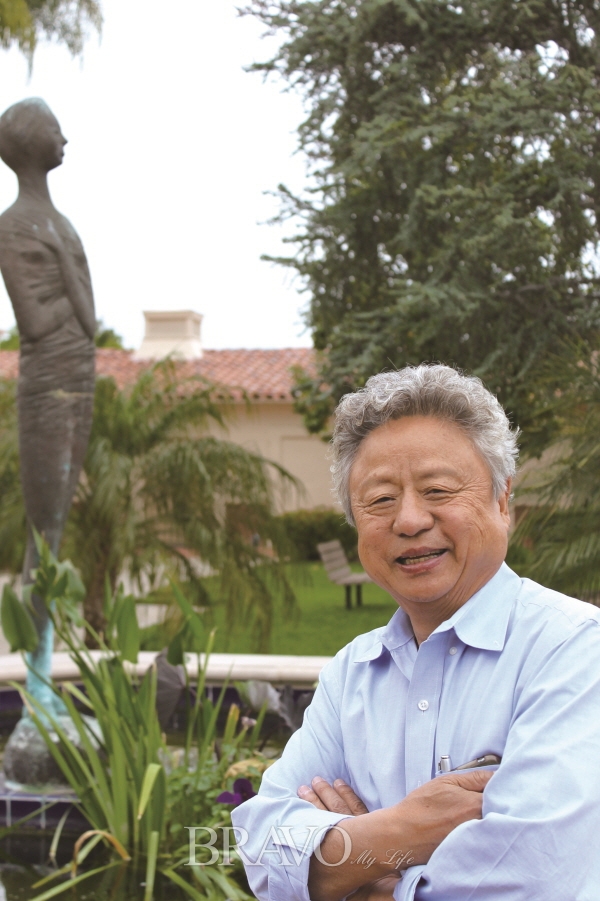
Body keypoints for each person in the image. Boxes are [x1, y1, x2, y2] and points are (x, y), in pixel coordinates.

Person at [232, 364, 600, 901]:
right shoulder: (353, 673)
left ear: (503, 501)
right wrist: (403, 832)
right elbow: (262, 852)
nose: (408, 520)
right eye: (380, 499)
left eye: (438, 489)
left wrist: (362, 879)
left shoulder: (574, 651)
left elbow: (533, 879)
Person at [0, 98, 95, 715]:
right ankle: (36, 678)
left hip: (80, 379)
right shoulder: (13, 226)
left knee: (56, 530)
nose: (66, 140)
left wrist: (65, 282)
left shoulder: (61, 224)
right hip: (46, 389)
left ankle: (42, 670)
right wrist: (67, 284)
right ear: (34, 142)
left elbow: (87, 314)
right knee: (45, 535)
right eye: (57, 131)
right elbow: (35, 320)